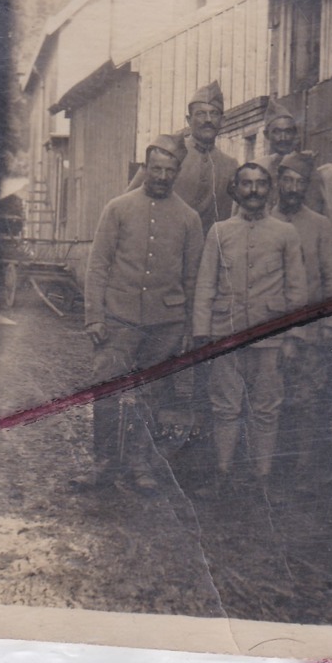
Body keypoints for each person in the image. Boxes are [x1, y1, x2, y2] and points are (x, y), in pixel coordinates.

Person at [79, 135, 204, 493]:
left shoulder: (188, 218)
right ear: (144, 168)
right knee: (105, 388)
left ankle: (140, 463)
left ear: (178, 172)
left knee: (153, 395)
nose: (162, 176)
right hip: (118, 320)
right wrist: (95, 316)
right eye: (155, 168)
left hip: (165, 324)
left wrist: (188, 328)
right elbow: (98, 265)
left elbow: (192, 278)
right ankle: (103, 462)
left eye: (169, 170)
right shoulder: (118, 208)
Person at [193, 163, 309, 491]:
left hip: (270, 338)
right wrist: (204, 334)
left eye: (260, 184)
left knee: (266, 409)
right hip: (225, 334)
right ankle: (223, 474)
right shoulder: (219, 231)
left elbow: (297, 290)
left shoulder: (285, 233)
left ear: (269, 190)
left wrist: (293, 337)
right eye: (246, 184)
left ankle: (262, 478)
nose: (254, 190)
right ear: (236, 189)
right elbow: (205, 286)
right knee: (225, 407)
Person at [271, 151, 332, 483]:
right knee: (271, 395)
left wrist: (329, 323)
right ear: (278, 182)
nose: (292, 188)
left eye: (300, 182)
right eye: (287, 180)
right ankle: (268, 465)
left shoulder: (320, 225)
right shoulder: (263, 220)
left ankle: (303, 467)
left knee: (306, 398)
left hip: (310, 329)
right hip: (269, 329)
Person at [130, 81, 239, 236]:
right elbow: (128, 203)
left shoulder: (230, 165)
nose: (208, 120)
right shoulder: (167, 153)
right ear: (188, 120)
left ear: (223, 121)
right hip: (166, 247)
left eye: (214, 113)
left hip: (207, 253)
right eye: (200, 113)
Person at [256, 96, 325, 214]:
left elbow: (316, 207)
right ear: (266, 135)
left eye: (288, 132)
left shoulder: (307, 167)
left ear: (295, 134)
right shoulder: (258, 168)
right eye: (277, 132)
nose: (283, 138)